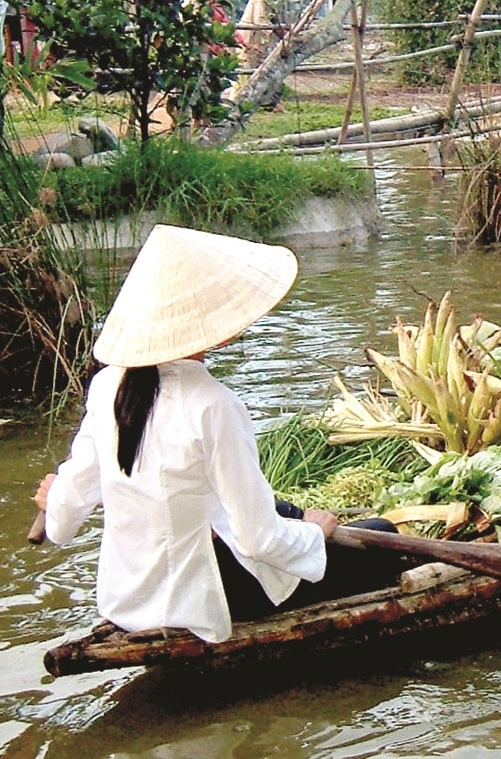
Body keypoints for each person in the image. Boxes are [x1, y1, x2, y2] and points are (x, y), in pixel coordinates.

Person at [33, 225, 401, 643]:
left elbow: (61, 523)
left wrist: (56, 497)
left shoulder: (107, 387)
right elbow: (258, 539)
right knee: (383, 534)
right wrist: (315, 531)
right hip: (204, 600)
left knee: (292, 515)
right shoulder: (213, 404)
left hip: (130, 599)